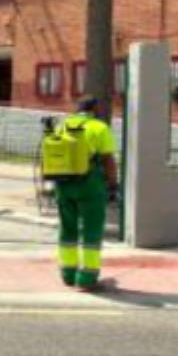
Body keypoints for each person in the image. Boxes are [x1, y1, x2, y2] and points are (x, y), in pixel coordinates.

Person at [55, 96, 119, 290]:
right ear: (95, 109)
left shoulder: (63, 126)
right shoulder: (99, 128)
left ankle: (68, 273)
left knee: (68, 229)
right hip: (90, 186)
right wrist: (113, 184)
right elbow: (108, 159)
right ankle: (87, 277)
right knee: (91, 230)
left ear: (78, 109)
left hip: (64, 185)